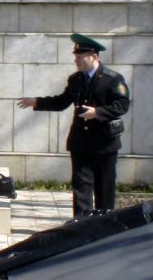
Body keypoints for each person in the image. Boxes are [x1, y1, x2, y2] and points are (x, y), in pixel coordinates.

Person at [16, 32, 130, 218]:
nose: (76, 61)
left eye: (80, 58)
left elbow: (122, 105)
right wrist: (37, 102)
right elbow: (62, 102)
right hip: (81, 142)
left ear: (94, 56)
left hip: (104, 143)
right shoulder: (76, 79)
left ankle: (104, 222)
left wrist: (98, 113)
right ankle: (82, 223)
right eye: (75, 58)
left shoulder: (113, 79)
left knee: (104, 187)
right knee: (81, 187)